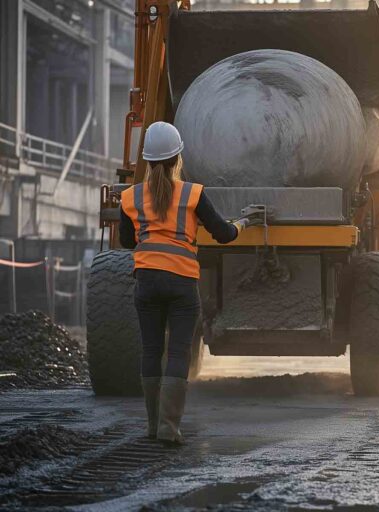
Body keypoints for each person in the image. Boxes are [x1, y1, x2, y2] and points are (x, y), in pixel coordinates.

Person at [119, 121, 251, 445]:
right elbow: (223, 234)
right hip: (181, 283)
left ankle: (152, 426)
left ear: (147, 161)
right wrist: (243, 222)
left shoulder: (130, 197)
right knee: (178, 352)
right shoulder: (193, 194)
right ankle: (169, 427)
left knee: (151, 350)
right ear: (178, 158)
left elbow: (126, 241)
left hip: (147, 282)